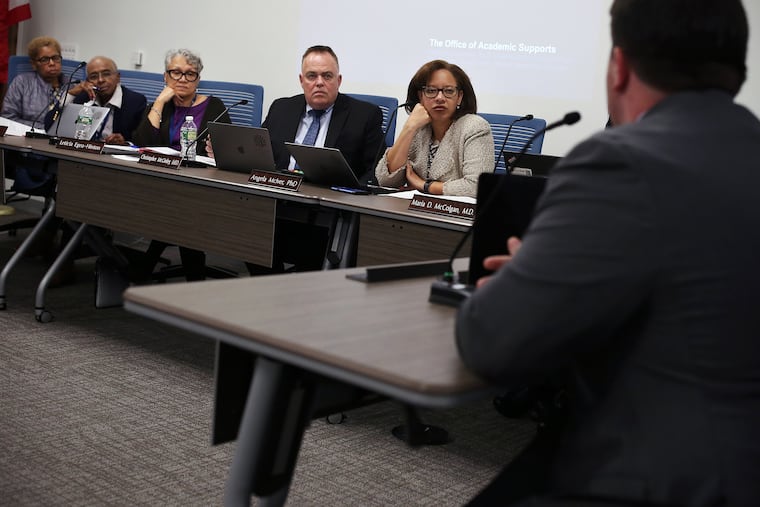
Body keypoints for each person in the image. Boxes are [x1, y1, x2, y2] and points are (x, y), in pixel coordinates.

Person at [456, 0, 760, 506]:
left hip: (662, 477)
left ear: (619, 66)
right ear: (736, 67)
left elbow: (490, 340)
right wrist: (556, 274)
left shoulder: (619, 161)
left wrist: (526, 280)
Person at [133, 49, 231, 282]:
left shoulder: (215, 107)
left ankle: (148, 270)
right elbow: (142, 143)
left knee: (182, 208)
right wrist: (159, 101)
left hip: (198, 183)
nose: (183, 79)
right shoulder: (162, 106)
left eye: (190, 74)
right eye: (176, 73)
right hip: (160, 177)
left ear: (198, 79)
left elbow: (224, 148)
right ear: (165, 76)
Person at [375, 60, 493, 198]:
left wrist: (426, 186)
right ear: (421, 96)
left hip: (454, 215)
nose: (440, 98)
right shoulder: (418, 127)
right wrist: (409, 127)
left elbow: (476, 187)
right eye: (431, 91)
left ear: (459, 97)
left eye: (449, 91)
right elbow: (386, 180)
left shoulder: (474, 127)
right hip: (414, 211)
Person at [66, 56, 146, 144]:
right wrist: (71, 94)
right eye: (94, 76)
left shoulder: (135, 102)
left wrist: (125, 143)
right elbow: (49, 125)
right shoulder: (83, 98)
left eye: (106, 74)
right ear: (88, 81)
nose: (100, 80)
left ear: (118, 77)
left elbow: (141, 141)